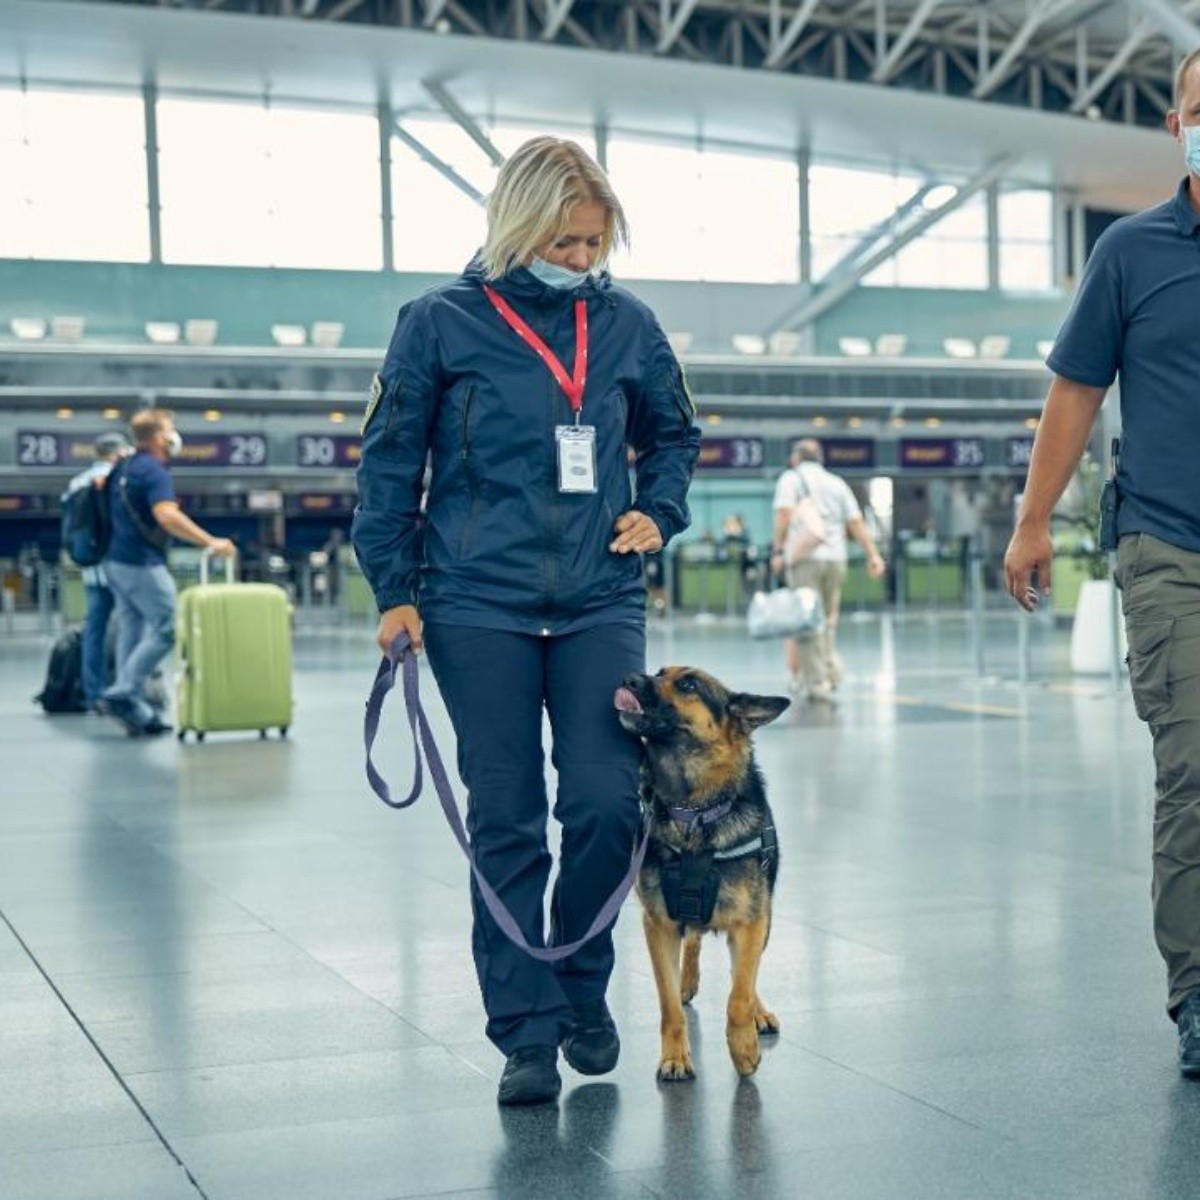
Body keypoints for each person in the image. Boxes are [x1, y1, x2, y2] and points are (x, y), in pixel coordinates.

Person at [353, 136, 701, 1107]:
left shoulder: (629, 324)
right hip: (474, 601)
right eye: (568, 241)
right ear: (519, 225)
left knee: (603, 802)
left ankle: (581, 988)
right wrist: (394, 590)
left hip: (599, 597)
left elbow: (675, 433)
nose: (584, 259)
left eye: (596, 242)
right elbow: (387, 466)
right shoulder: (436, 323)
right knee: (505, 818)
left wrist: (660, 510)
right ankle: (525, 1033)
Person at [1004, 49, 1200, 1078]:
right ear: (1177, 124)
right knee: (1196, 767)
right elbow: (1077, 391)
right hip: (1171, 544)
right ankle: (1199, 991)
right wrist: (1034, 518)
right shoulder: (1131, 252)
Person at [99, 409, 235, 737]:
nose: (175, 435)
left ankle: (134, 708)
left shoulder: (124, 465)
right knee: (167, 628)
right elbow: (167, 516)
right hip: (141, 563)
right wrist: (211, 541)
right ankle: (123, 691)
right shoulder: (153, 470)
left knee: (131, 630)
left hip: (114, 561)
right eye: (171, 429)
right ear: (160, 437)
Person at [770, 439, 885, 702]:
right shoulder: (836, 483)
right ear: (820, 459)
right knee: (828, 621)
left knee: (807, 621)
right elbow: (856, 523)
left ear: (796, 459)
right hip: (836, 559)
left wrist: (778, 550)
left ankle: (817, 682)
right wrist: (873, 555)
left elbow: (784, 516)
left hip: (805, 559)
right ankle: (832, 672)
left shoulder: (790, 479)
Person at [64, 432, 129, 710]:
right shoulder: (121, 479)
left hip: (91, 567)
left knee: (94, 630)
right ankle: (126, 690)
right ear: (117, 452)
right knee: (130, 627)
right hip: (123, 565)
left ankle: (94, 694)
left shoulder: (77, 483)